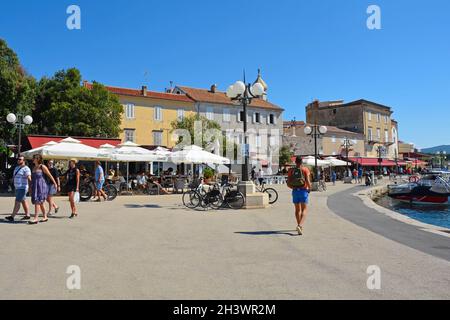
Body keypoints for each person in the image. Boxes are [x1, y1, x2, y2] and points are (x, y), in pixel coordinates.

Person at [29, 154, 57, 225]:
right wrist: (30, 187)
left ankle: (35, 218)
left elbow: (50, 175)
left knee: (37, 201)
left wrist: (55, 184)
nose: (33, 159)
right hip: (35, 186)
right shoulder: (33, 167)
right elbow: (32, 179)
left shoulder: (42, 166)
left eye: (34, 158)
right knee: (41, 202)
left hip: (41, 186)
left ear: (38, 159)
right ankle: (45, 216)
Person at [287, 156, 312, 236]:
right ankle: (300, 225)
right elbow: (307, 181)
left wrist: (293, 187)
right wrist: (309, 188)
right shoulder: (305, 169)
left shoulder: (291, 170)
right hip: (303, 191)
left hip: (295, 191)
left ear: (295, 162)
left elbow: (288, 183)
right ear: (302, 162)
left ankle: (299, 226)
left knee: (297, 210)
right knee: (304, 209)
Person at [5, 156, 32, 222]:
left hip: (22, 188)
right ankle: (27, 215)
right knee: (23, 201)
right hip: (17, 187)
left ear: (24, 161)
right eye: (18, 159)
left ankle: (12, 216)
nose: (18, 160)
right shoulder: (16, 168)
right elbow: (15, 176)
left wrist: (30, 187)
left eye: (20, 159)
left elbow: (29, 178)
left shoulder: (26, 168)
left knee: (17, 201)